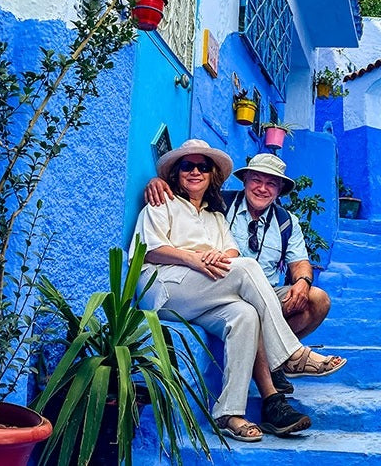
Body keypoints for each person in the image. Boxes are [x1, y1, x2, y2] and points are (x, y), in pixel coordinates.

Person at [131, 139, 346, 442]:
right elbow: (149, 249)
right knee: (247, 269)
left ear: (212, 175)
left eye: (202, 167)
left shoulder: (215, 214)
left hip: (209, 290)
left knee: (245, 315)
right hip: (165, 288)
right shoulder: (163, 202)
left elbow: (231, 252)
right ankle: (290, 355)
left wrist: (222, 258)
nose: (195, 172)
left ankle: (229, 413)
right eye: (187, 166)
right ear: (176, 173)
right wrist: (193, 258)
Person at [145, 153, 334, 394]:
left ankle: (274, 358)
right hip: (220, 290)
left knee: (317, 299)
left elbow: (300, 262)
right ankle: (287, 357)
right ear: (244, 181)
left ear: (279, 191)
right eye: (256, 180)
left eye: (271, 184)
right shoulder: (219, 204)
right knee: (248, 298)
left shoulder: (287, 222)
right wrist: (157, 182)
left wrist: (302, 282)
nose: (262, 189)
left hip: (268, 295)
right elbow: (190, 190)